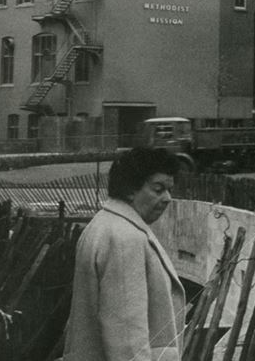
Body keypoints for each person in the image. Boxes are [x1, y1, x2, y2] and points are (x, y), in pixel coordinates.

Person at [64, 148, 185, 361]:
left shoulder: (103, 224)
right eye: (158, 189)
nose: (167, 198)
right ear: (130, 189)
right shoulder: (125, 239)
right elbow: (127, 338)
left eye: (169, 189)